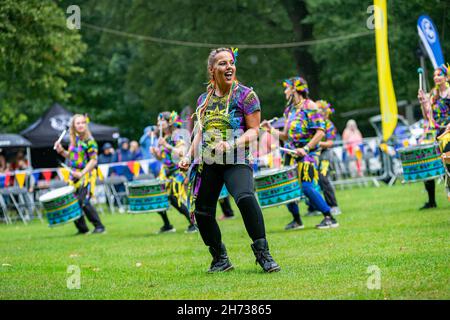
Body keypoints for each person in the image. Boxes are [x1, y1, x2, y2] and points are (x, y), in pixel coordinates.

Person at [179, 48, 280, 273]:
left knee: (244, 197)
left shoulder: (246, 95)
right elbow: (199, 130)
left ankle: (263, 255)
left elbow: (254, 131)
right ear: (212, 69)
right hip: (208, 161)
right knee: (203, 211)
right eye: (223, 63)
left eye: (231, 62)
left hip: (237, 158)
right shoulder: (203, 99)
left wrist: (231, 144)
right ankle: (220, 258)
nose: (229, 67)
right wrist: (188, 155)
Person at [262, 76, 339, 230]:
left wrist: (306, 148)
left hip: (308, 154)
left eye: (286, 88)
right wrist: (270, 130)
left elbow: (320, 132)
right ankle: (297, 220)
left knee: (307, 186)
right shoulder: (289, 110)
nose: (284, 92)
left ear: (295, 90)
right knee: (288, 186)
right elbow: (286, 136)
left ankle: (329, 217)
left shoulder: (310, 106)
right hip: (291, 152)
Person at [54, 114, 106, 234]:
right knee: (73, 202)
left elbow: (93, 160)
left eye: (83, 123)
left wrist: (82, 173)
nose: (81, 125)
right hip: (74, 175)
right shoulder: (74, 141)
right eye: (78, 123)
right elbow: (72, 157)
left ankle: (99, 227)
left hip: (86, 175)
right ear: (73, 125)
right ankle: (82, 229)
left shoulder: (90, 141)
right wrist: (61, 151)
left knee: (84, 201)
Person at [151, 111, 197, 234]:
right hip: (165, 171)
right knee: (160, 196)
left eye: (161, 121)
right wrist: (156, 153)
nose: (158, 123)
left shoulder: (177, 135)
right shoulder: (164, 138)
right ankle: (167, 225)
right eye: (157, 121)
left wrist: (166, 145)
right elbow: (163, 158)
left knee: (176, 196)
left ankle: (194, 223)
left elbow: (181, 153)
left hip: (178, 170)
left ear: (169, 122)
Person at [417, 63, 450, 209]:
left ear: (447, 77)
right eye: (434, 75)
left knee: (447, 164)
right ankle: (431, 201)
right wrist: (424, 102)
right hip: (435, 132)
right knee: (428, 162)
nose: (436, 77)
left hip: (448, 133)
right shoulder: (433, 94)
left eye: (439, 74)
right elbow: (427, 117)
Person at [306, 100, 341, 216]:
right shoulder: (312, 123)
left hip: (325, 155)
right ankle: (313, 208)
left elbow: (330, 143)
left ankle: (333, 206)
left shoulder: (328, 125)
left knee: (323, 178)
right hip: (312, 155)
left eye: (320, 109)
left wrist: (317, 143)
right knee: (310, 180)